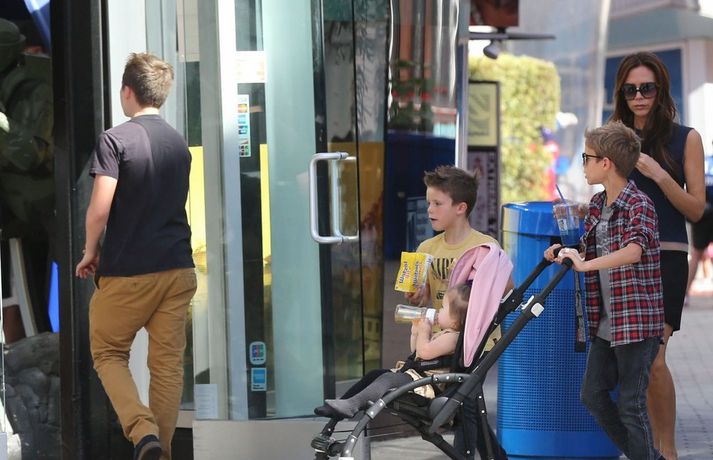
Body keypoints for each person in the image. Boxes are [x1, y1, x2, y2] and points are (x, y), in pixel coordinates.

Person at [75, 53, 196, 460]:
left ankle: (143, 433)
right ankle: (160, 452)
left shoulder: (115, 140)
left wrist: (90, 250)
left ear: (127, 91)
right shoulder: (179, 144)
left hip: (130, 271)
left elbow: (99, 210)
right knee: (166, 367)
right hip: (178, 269)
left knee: (108, 352)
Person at [546, 121, 665, 460]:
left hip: (636, 324)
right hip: (606, 323)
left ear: (606, 163)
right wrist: (565, 252)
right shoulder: (598, 203)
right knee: (593, 395)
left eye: (586, 158)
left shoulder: (639, 204)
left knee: (631, 404)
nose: (583, 164)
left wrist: (585, 265)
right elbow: (591, 249)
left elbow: (633, 251)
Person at [610, 51, 706, 460]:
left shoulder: (686, 138)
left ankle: (668, 452)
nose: (639, 97)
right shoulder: (613, 138)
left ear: (661, 90)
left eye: (646, 88)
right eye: (630, 90)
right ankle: (645, 448)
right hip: (621, 258)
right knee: (630, 364)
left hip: (666, 257)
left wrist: (660, 175)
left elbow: (696, 209)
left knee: (653, 359)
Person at [405, 165, 510, 459]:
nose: (430, 209)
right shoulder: (426, 247)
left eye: (438, 203)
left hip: (477, 342)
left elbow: (505, 288)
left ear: (461, 207)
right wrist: (416, 295)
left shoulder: (485, 247)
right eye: (428, 202)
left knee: (464, 401)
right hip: (444, 339)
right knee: (466, 403)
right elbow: (419, 295)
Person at [315, 283, 470, 419]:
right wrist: (416, 332)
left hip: (426, 386)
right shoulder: (444, 334)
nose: (438, 311)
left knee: (388, 379)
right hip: (416, 377)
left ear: (455, 320)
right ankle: (343, 403)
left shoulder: (453, 338)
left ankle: (351, 405)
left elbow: (425, 352)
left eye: (443, 308)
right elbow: (417, 353)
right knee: (375, 374)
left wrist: (425, 332)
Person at [686, 153, 713, 296]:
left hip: (702, 212)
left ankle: (685, 294)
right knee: (696, 253)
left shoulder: (704, 161)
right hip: (703, 213)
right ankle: (685, 293)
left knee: (696, 254)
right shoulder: (704, 161)